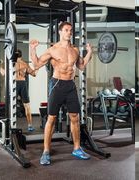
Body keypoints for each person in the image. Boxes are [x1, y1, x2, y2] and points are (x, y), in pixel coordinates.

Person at [29, 21, 93, 165]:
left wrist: (89, 52)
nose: (69, 33)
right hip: (57, 84)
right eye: (66, 30)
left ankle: (77, 148)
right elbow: (37, 64)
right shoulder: (53, 49)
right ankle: (46, 151)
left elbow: (81, 66)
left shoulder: (75, 50)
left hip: (70, 85)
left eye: (70, 30)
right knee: (51, 118)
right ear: (60, 32)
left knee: (75, 117)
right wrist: (33, 49)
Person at [1, 49, 37, 132]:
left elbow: (3, 73)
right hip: (23, 83)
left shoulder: (11, 64)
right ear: (21, 55)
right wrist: (37, 67)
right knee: (27, 106)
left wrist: (0, 64)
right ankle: (30, 126)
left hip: (15, 83)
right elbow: (34, 74)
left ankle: (10, 125)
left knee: (11, 105)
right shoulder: (25, 64)